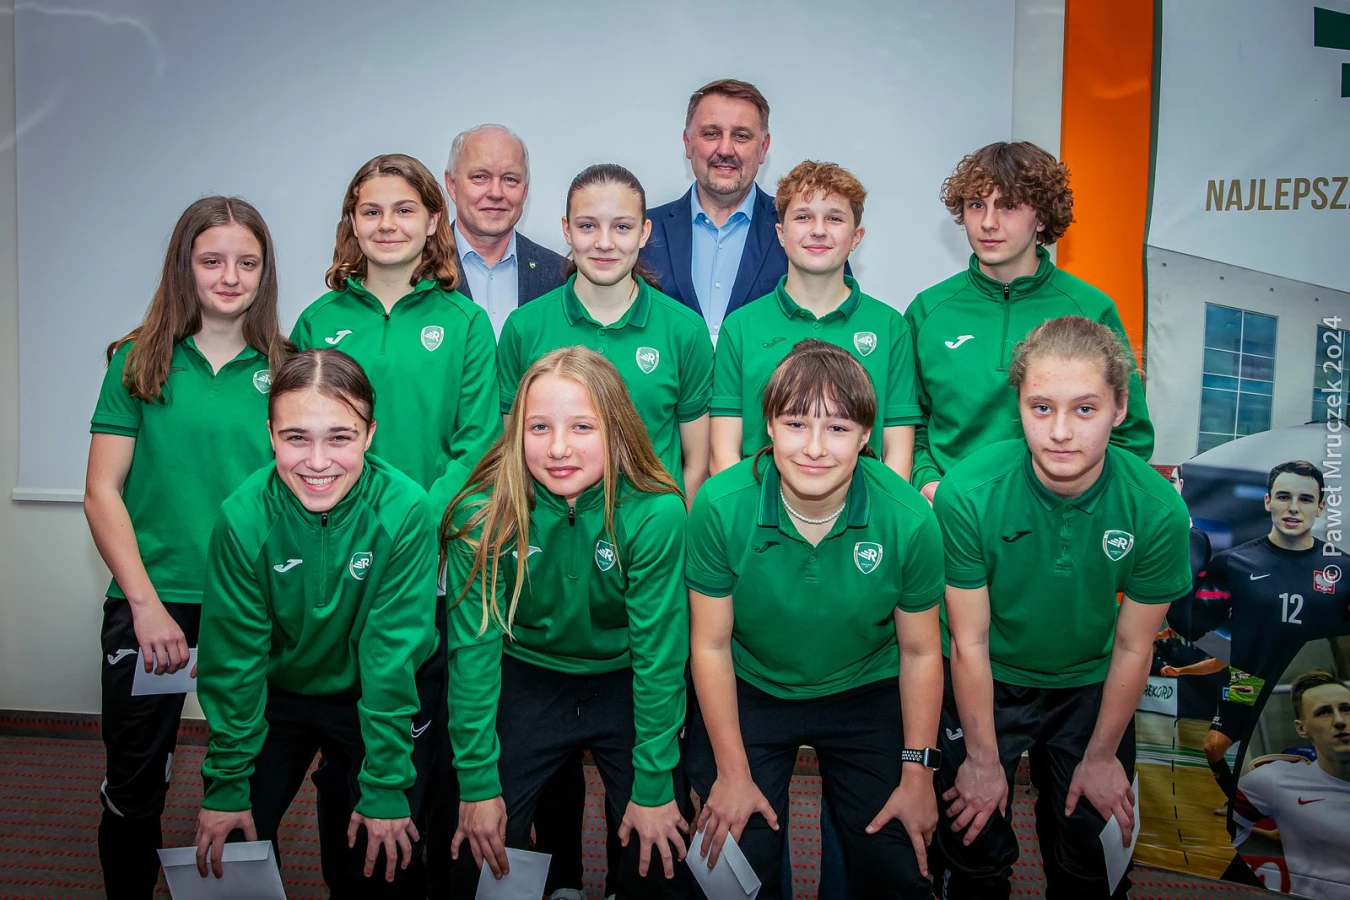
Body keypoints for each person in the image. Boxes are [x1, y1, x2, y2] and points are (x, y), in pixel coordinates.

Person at [933, 316, 1191, 899]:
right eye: (1042, 407)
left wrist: (1101, 755)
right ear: (1019, 406)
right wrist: (981, 759)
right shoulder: (967, 494)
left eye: (1085, 409)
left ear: (1119, 408)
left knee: (1090, 857)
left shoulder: (1156, 510)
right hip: (987, 680)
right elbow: (968, 641)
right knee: (971, 844)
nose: (1060, 432)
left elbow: (1134, 645)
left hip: (1091, 686)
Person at [85, 196, 290, 899]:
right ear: (184, 266)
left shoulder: (288, 367)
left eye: (247, 262)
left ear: (265, 272)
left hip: (255, 605)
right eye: (212, 261)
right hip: (156, 605)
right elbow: (102, 493)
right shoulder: (136, 362)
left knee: (249, 777)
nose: (230, 277)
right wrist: (145, 606)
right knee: (136, 781)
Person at [687, 339, 944, 900]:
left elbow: (922, 652)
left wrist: (917, 773)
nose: (814, 448)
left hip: (864, 687)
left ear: (867, 434)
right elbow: (709, 647)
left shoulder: (909, 519)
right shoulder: (719, 506)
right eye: (796, 423)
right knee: (733, 865)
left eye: (838, 428)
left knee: (897, 861)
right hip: (751, 685)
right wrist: (732, 773)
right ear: (769, 426)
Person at [193, 350, 442, 898]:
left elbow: (389, 658)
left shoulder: (406, 511)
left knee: (383, 851)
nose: (318, 461)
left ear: (370, 435)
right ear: (270, 435)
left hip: (370, 691)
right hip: (279, 691)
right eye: (296, 438)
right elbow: (234, 661)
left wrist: (384, 785)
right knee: (234, 837)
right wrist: (227, 781)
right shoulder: (242, 518)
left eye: (340, 437)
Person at [444, 346, 691, 898]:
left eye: (582, 426)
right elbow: (474, 652)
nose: (558, 447)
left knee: (662, 853)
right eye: (539, 427)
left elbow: (660, 657)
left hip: (624, 676)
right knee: (476, 855)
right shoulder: (481, 512)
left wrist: (653, 786)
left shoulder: (656, 512)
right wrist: (477, 784)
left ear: (616, 429)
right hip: (527, 673)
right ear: (517, 432)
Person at [905, 141, 1154, 504]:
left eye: (1008, 206)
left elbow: (1129, 436)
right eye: (976, 205)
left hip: (1056, 514)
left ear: (1041, 217)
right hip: (951, 510)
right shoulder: (928, 310)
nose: (988, 223)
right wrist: (927, 480)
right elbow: (908, 424)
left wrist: (1070, 498)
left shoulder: (1089, 308)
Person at [498, 163, 713, 501]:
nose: (604, 242)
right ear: (567, 230)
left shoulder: (685, 331)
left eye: (622, 227)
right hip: (550, 527)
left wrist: (672, 525)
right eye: (587, 226)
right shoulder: (523, 327)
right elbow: (511, 452)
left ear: (644, 233)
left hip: (651, 528)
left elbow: (697, 465)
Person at [291, 152, 499, 490]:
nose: (387, 224)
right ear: (353, 223)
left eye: (404, 210)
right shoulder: (316, 322)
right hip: (339, 517)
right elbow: (296, 437)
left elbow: (478, 447)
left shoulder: (467, 323)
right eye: (372, 212)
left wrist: (425, 514)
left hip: (435, 517)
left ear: (432, 221)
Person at [710, 161, 918, 477]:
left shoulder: (891, 327)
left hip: (863, 506)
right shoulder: (740, 327)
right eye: (803, 217)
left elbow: (897, 455)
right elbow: (723, 455)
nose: (818, 230)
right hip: (757, 504)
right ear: (781, 233)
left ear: (856, 236)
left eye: (834, 218)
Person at [1169, 461, 1344, 801]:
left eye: (1306, 499)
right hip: (1247, 678)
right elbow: (1200, 625)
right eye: (1284, 496)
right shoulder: (1233, 563)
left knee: (1310, 747)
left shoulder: (1343, 569)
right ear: (1268, 501)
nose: (1294, 508)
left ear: (1321, 507)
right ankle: (1245, 805)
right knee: (1214, 746)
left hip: (1316, 679)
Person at [641, 78, 784, 339]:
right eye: (711, 134)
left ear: (763, 148)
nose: (725, 149)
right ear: (687, 143)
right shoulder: (642, 233)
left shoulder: (797, 231)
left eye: (741, 136)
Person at [1234, 670, 1350, 900]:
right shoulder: (1276, 780)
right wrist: (1289, 841)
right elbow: (1214, 825)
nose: (1339, 721)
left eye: (1346, 709)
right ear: (1301, 728)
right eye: (1324, 712)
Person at [443, 124, 568, 337]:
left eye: (510, 179)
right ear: (452, 185)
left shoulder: (561, 275)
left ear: (525, 191)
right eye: (480, 177)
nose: (496, 193)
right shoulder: (419, 268)